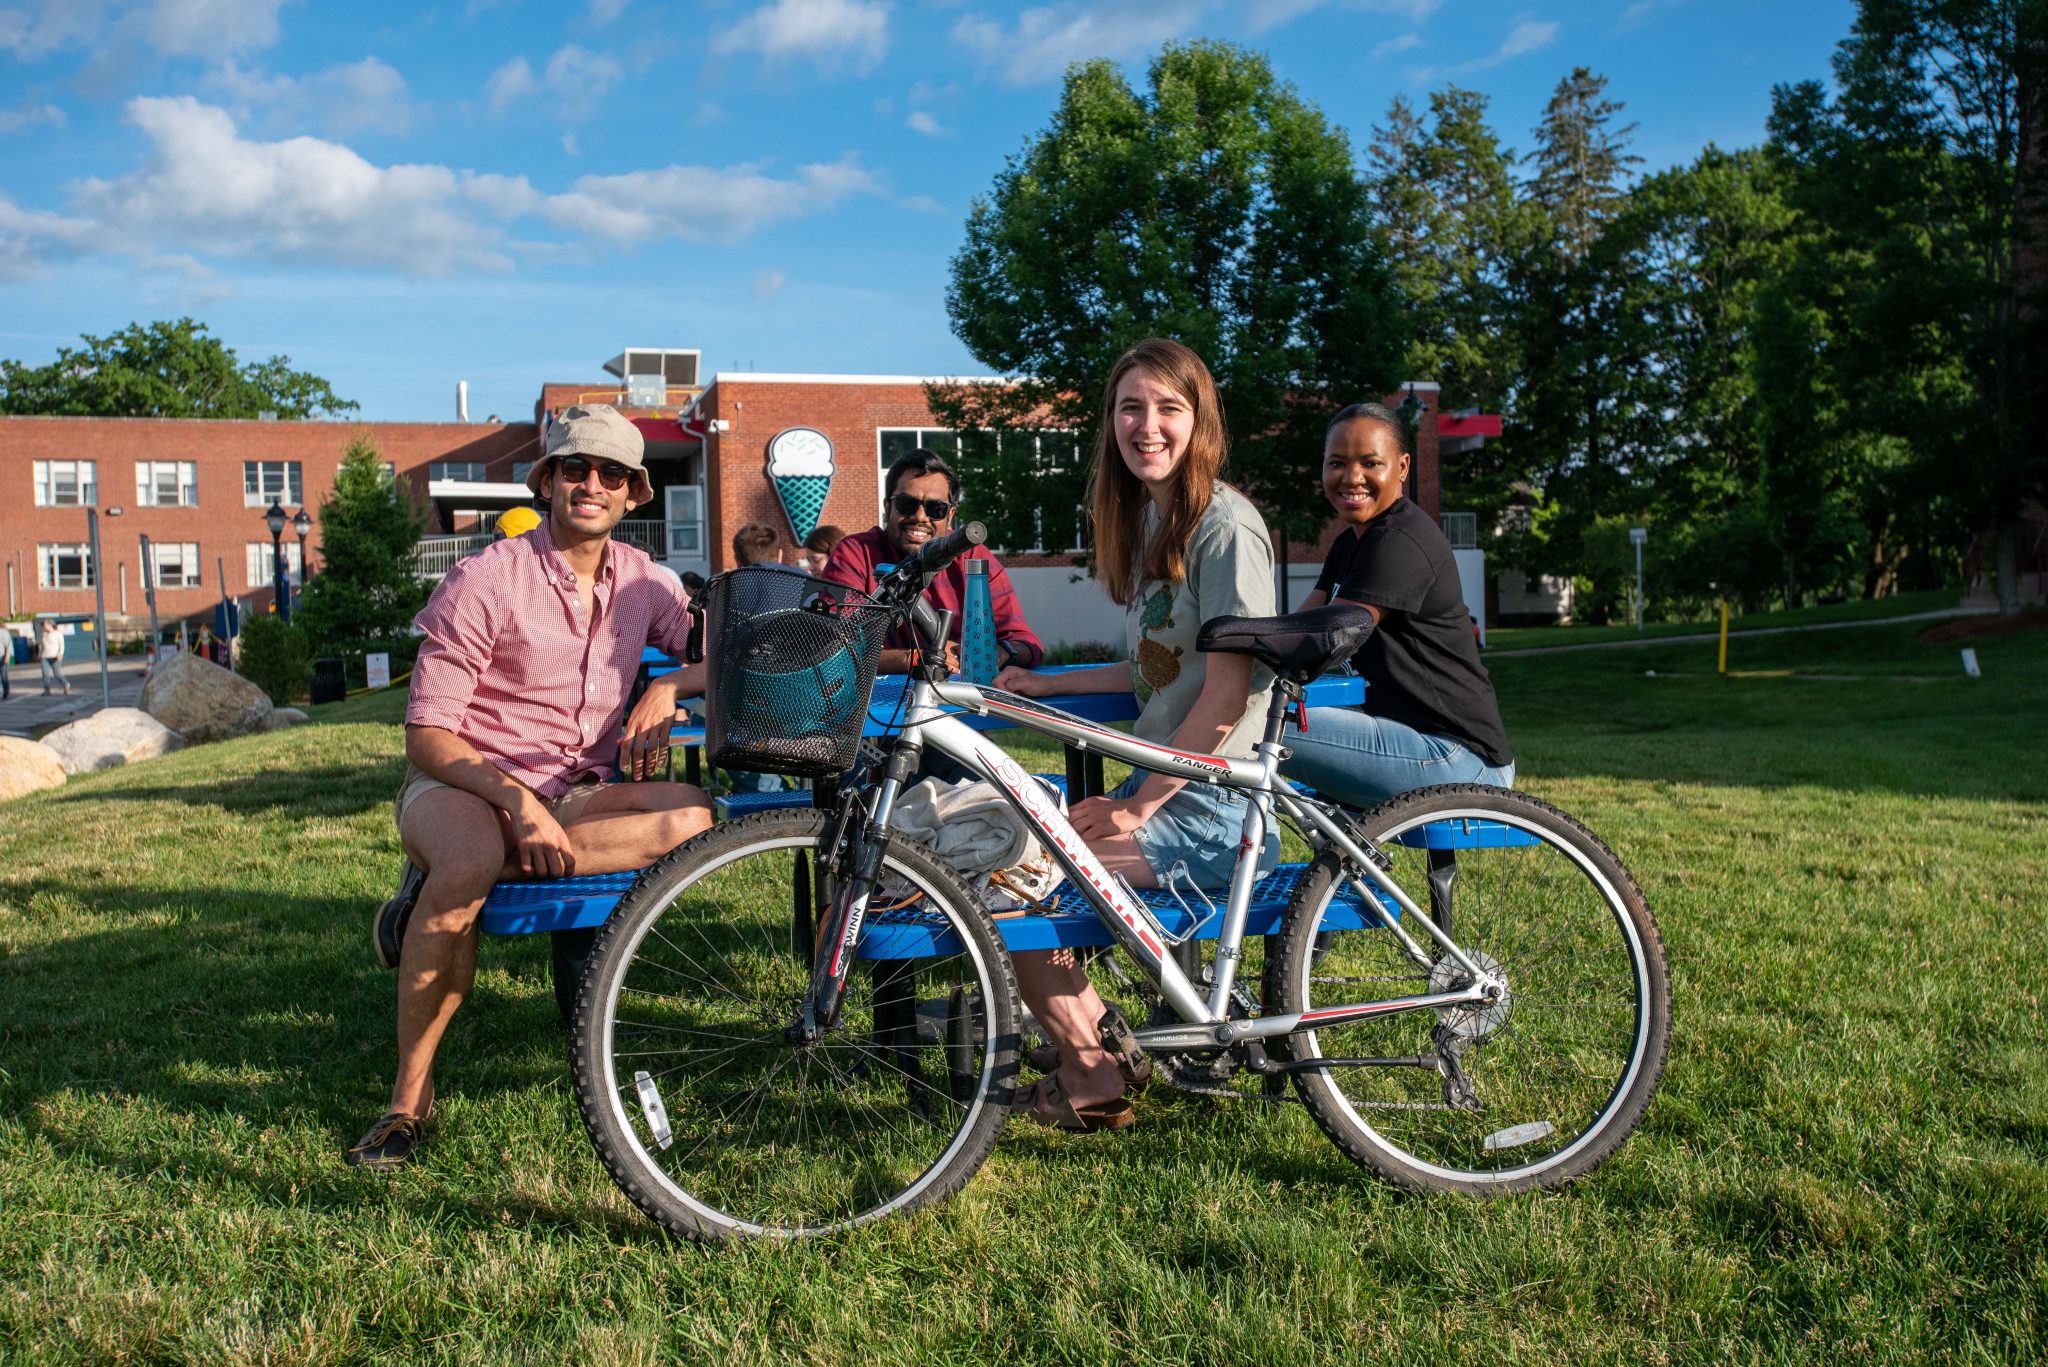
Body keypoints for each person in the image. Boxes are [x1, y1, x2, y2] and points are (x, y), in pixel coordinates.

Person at [348, 404, 715, 1172]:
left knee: (696, 814)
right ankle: (407, 1097)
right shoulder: (487, 578)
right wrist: (516, 804)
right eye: (575, 468)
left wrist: (673, 680)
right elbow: (428, 733)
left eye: (611, 473)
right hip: (466, 783)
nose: (592, 484)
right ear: (547, 481)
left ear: (631, 494)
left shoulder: (644, 583)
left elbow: (728, 656)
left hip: (575, 789)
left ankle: (440, 891)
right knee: (471, 851)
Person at [991, 337, 1278, 1133]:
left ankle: (1095, 1068)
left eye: (1167, 408)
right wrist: (1049, 684)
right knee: (1009, 863)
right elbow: (1156, 670)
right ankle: (1099, 1047)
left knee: (1014, 887)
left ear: (1200, 420)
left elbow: (1227, 696)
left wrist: (1138, 806)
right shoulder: (1158, 522)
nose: (1146, 425)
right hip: (1168, 793)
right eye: (1130, 407)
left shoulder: (1224, 527)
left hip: (1216, 812)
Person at [1278, 402, 1513, 807]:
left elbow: (1327, 637)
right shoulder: (1351, 542)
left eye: (1371, 462)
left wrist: (1227, 643)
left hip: (1459, 759)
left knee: (1249, 726)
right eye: (1337, 463)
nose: (1352, 477)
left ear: (1403, 467)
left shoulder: (1399, 541)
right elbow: (1300, 626)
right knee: (1242, 716)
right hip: (1411, 740)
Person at [819, 449, 1043, 675]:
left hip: (960, 703)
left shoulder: (974, 557)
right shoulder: (857, 553)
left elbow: (1025, 643)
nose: (920, 516)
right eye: (907, 504)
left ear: (950, 515)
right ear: (887, 507)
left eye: (936, 509)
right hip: (874, 703)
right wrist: (916, 658)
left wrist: (994, 653)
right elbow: (828, 647)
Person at [38, 619, 69, 695]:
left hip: (55, 656)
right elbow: (42, 645)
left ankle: (65, 684)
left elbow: (62, 645)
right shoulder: (44, 634)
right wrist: (39, 654)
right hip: (45, 657)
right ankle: (47, 690)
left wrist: (60, 654)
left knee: (57, 673)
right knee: (45, 674)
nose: (44, 626)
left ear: (50, 625)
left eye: (45, 624)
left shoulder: (57, 633)